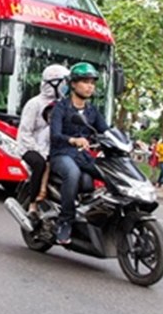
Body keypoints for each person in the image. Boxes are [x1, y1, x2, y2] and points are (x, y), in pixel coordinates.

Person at [49, 62, 109, 245]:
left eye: (92, 82)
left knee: (108, 173)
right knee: (72, 173)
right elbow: (55, 135)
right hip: (61, 154)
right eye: (85, 82)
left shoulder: (92, 111)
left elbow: (106, 131)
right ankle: (65, 222)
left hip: (83, 156)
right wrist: (73, 140)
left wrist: (126, 140)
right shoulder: (61, 107)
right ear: (73, 84)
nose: (90, 86)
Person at [17, 64, 69, 213]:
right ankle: (33, 204)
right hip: (30, 147)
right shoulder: (34, 104)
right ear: (55, 83)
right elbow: (25, 132)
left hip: (51, 148)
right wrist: (39, 151)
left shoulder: (63, 104)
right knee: (40, 164)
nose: (66, 86)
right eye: (64, 82)